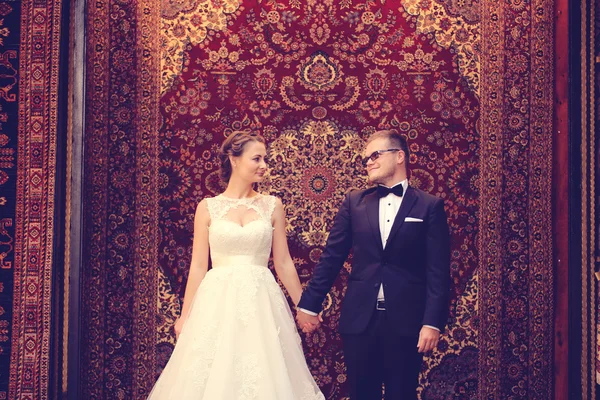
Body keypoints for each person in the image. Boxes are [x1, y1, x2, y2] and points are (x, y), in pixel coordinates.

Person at [148, 131, 324, 399]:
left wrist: (305, 306)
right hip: (218, 300)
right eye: (257, 158)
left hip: (260, 301)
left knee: (264, 368)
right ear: (234, 159)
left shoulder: (272, 206)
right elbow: (198, 267)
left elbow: (283, 261)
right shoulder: (208, 208)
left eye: (265, 159)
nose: (264, 165)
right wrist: (185, 316)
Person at [296, 129, 450, 400]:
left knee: (401, 395)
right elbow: (332, 257)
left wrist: (432, 322)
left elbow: (438, 271)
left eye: (375, 155)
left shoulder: (429, 206)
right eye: (366, 158)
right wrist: (309, 304)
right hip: (360, 320)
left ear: (400, 156)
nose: (368, 161)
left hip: (407, 322)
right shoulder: (354, 202)